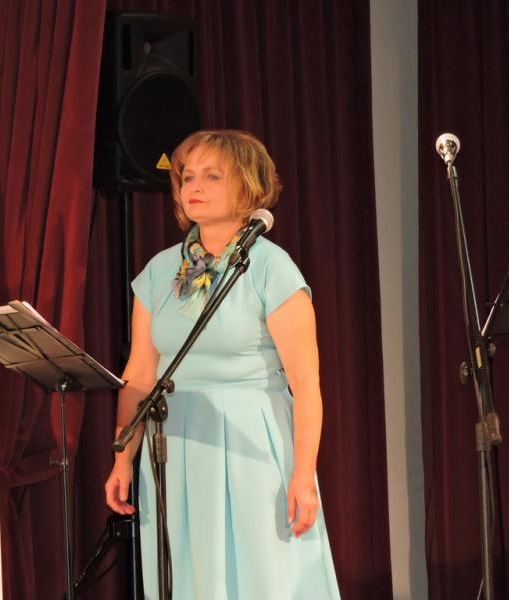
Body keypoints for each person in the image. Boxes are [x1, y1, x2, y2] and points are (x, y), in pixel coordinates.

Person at [104, 130, 340, 599]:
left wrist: (303, 473)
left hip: (252, 441)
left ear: (247, 185)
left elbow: (306, 384)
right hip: (174, 444)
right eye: (188, 176)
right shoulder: (159, 272)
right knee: (190, 579)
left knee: (261, 578)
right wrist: (122, 458)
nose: (194, 186)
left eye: (212, 176)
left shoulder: (272, 268)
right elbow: (140, 375)